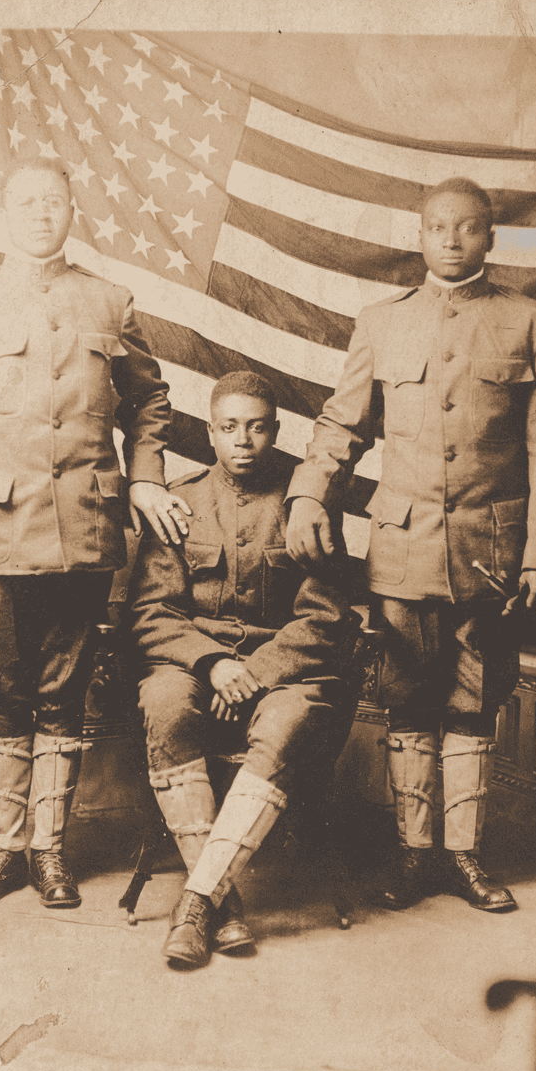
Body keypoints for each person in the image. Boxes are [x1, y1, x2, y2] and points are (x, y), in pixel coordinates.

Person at [0, 158, 191, 909]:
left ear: (73, 211)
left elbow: (151, 402)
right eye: (27, 202)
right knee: (6, 690)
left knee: (64, 691)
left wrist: (145, 477)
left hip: (84, 533)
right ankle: (5, 849)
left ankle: (50, 851)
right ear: (6, 214)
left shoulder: (109, 301)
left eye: (55, 202)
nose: (41, 213)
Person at [286, 177, 536, 912]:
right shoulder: (382, 322)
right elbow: (342, 425)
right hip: (403, 550)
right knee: (407, 697)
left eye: (467, 226)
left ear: (490, 236)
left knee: (474, 698)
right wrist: (308, 493)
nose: (452, 238)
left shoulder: (531, 321)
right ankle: (413, 854)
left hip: (491, 555)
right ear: (420, 235)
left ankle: (463, 856)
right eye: (438, 226)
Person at [129, 372, 363, 968]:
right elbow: (153, 613)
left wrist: (253, 672)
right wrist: (212, 664)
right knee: (164, 703)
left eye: (257, 427)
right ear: (210, 433)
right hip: (194, 663)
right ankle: (225, 905)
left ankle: (195, 906)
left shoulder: (305, 506)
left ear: (276, 432)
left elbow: (325, 618)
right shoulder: (180, 502)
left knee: (284, 725)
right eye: (229, 427)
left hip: (285, 671)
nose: (243, 440)